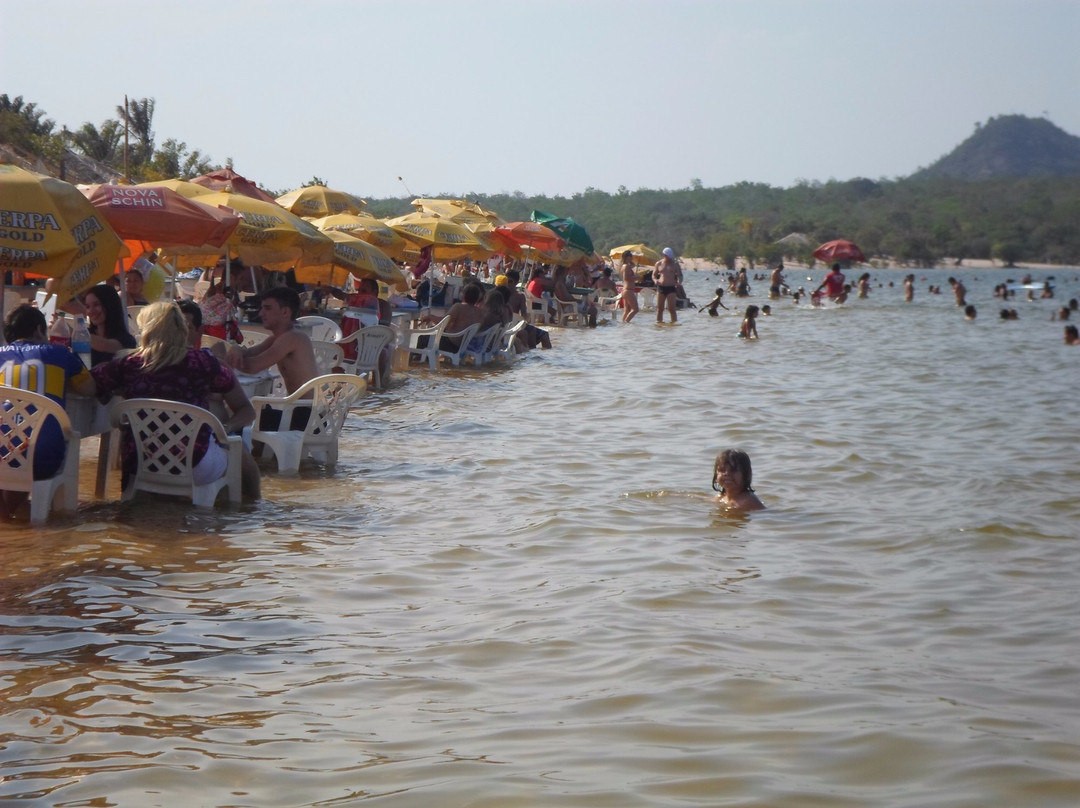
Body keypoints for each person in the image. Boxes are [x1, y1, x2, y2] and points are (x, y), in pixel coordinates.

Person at [91, 302, 260, 501]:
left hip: (141, 462)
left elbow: (90, 384)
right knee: (238, 448)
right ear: (181, 330)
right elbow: (246, 410)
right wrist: (224, 428)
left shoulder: (126, 364)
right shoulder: (205, 363)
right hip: (195, 464)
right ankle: (255, 508)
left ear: (147, 330)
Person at [0, 304, 96, 519]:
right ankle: (23, 524)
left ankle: (8, 528)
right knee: (30, 445)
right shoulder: (60, 354)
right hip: (42, 458)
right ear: (38, 330)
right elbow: (90, 389)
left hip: (2, 453)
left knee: (9, 452)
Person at [225, 286, 317, 397]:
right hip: (298, 409)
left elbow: (252, 367)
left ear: (285, 312)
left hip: (305, 412)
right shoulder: (277, 338)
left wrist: (220, 361)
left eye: (267, 308)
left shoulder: (291, 338)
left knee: (240, 410)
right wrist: (236, 349)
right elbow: (249, 353)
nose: (261, 313)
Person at [83, 283, 137, 367]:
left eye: (96, 305)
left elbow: (105, 345)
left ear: (110, 305)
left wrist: (74, 333)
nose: (91, 311)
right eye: (87, 306)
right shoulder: (86, 334)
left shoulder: (127, 340)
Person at [652, 247, 682, 323]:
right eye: (668, 256)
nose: (669, 258)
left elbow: (680, 276)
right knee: (660, 309)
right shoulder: (659, 263)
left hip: (671, 288)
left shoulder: (675, 264)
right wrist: (655, 280)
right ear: (664, 255)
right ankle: (659, 324)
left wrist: (679, 282)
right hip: (661, 287)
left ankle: (673, 324)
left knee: (671, 309)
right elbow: (654, 275)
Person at [619, 251, 640, 323]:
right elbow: (627, 278)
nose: (632, 258)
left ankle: (623, 325)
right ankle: (626, 323)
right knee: (635, 309)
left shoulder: (624, 266)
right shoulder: (626, 266)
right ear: (627, 257)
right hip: (628, 290)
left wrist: (631, 263)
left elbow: (632, 266)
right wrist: (637, 277)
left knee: (627, 310)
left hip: (626, 290)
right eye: (630, 256)